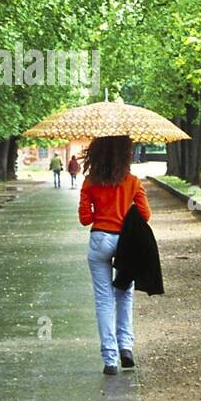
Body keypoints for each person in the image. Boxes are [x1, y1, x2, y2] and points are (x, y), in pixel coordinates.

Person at [77, 135, 151, 375]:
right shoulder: (132, 181)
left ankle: (109, 359)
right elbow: (145, 215)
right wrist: (125, 206)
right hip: (125, 243)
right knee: (124, 295)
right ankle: (126, 348)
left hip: (100, 239)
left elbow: (85, 219)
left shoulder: (90, 182)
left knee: (103, 300)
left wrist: (100, 209)